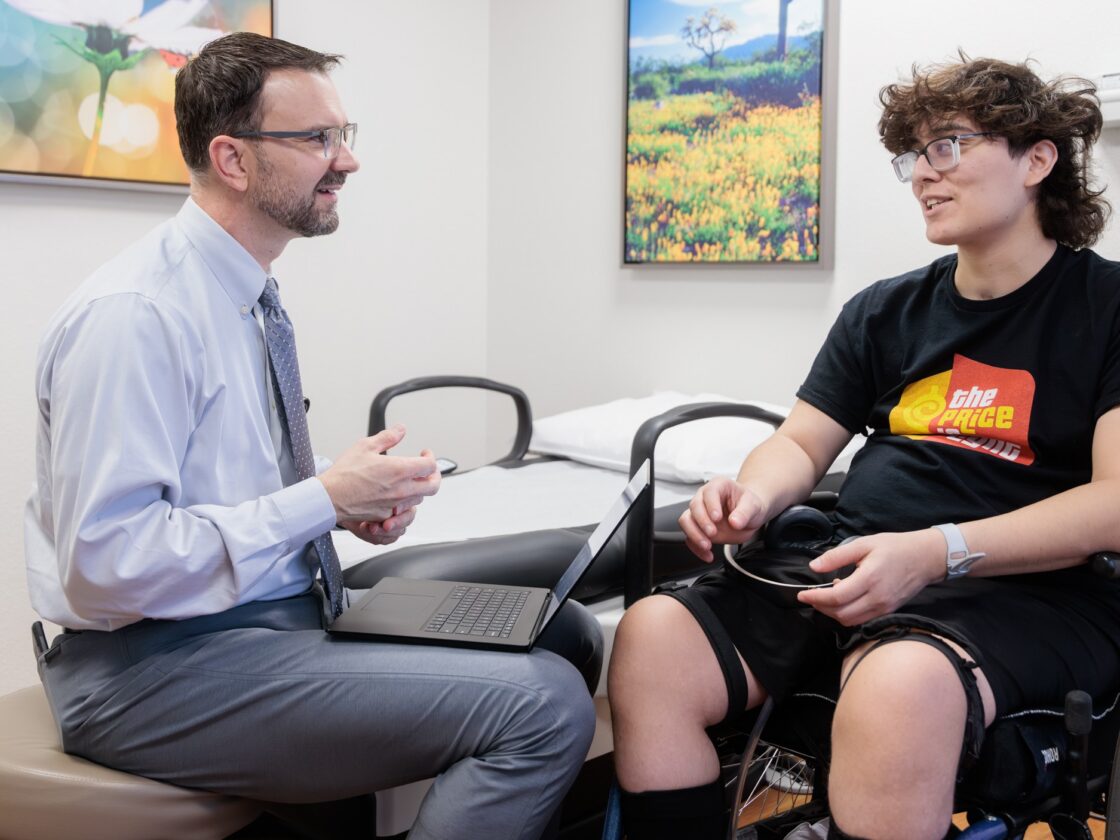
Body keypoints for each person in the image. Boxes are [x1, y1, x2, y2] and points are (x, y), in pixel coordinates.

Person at [26, 32, 601, 840]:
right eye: (317, 140)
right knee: (543, 708)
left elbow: (222, 479)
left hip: (257, 620)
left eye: (344, 136)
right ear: (232, 160)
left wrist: (345, 495)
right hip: (149, 672)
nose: (346, 160)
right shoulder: (136, 319)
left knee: (564, 629)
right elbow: (108, 568)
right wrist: (316, 502)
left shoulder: (243, 293)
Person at [608, 55, 1120, 840]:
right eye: (912, 156)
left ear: (1037, 159)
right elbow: (802, 443)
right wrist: (753, 495)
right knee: (652, 637)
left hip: (1023, 590)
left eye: (947, 144)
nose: (923, 173)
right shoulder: (885, 311)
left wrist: (936, 552)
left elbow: (1114, 503)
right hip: (857, 559)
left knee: (901, 683)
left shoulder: (1106, 308)